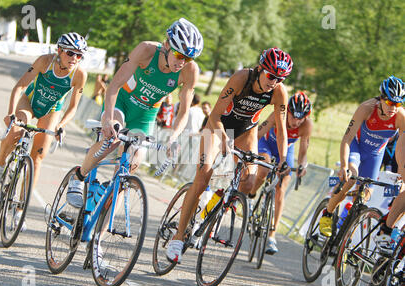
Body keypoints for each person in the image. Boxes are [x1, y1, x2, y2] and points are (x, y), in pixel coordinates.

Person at [166, 47, 294, 263]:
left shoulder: (279, 92)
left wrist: (282, 159)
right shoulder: (241, 78)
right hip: (219, 127)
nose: (274, 82)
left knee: (248, 182)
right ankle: (178, 237)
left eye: (280, 78)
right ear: (262, 68)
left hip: (246, 131)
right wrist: (225, 138)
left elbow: (282, 129)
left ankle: (216, 207)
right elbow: (215, 115)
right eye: (271, 76)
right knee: (203, 177)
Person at [66, 18, 203, 208]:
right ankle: (78, 177)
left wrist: (174, 136)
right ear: (166, 45)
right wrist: (108, 119)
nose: (183, 62)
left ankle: (99, 230)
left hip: (145, 114)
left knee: (130, 169)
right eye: (180, 55)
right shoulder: (146, 50)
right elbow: (114, 85)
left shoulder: (190, 70)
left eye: (188, 58)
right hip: (123, 102)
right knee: (112, 140)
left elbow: (184, 111)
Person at [0, 32, 88, 227]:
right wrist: (11, 113)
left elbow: (73, 107)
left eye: (79, 55)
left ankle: (20, 209)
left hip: (51, 110)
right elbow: (19, 87)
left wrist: (61, 126)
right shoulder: (45, 62)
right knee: (15, 132)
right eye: (70, 53)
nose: (74, 58)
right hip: (30, 102)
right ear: (59, 50)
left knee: (38, 157)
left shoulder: (79, 74)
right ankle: (0, 164)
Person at [319, 76, 405, 239]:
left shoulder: (401, 116)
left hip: (375, 155)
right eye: (390, 103)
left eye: (398, 103)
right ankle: (328, 213)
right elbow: (347, 138)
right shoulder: (366, 108)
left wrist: (402, 176)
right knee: (351, 178)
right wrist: (344, 166)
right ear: (381, 99)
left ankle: (344, 228)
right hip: (356, 148)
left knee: (365, 195)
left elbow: (402, 149)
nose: (394, 108)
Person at [248, 91, 313, 254]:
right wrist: (250, 148)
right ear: (288, 111)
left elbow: (303, 151)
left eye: (301, 118)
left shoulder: (306, 126)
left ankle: (272, 235)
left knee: (281, 191)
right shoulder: (279, 113)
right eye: (294, 116)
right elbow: (260, 132)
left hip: (286, 151)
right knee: (264, 169)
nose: (297, 121)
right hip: (267, 145)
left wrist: (302, 165)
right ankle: (252, 193)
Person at [374, 77, 405, 256]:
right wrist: (401, 170)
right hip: (397, 152)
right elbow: (401, 145)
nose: (393, 106)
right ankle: (386, 229)